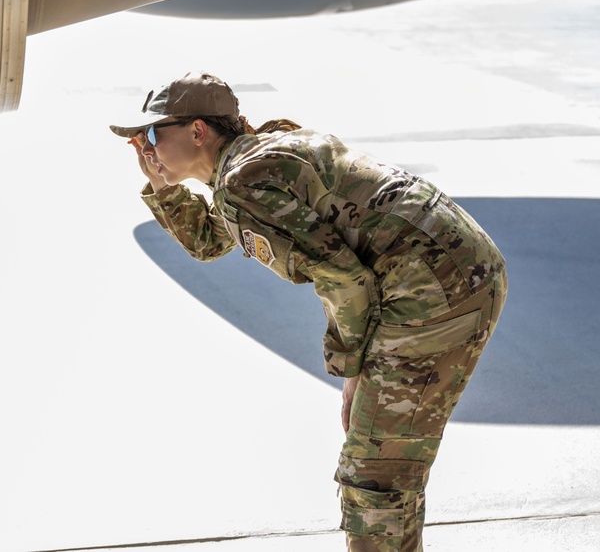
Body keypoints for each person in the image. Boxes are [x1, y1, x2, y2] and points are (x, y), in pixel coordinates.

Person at [110, 71, 507, 552]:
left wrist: (353, 371)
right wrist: (165, 187)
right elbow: (210, 241)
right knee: (381, 468)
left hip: (431, 286)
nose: (145, 148)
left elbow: (344, 279)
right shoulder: (250, 163)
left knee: (375, 475)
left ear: (198, 131)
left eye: (151, 135)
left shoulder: (243, 183)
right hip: (450, 270)